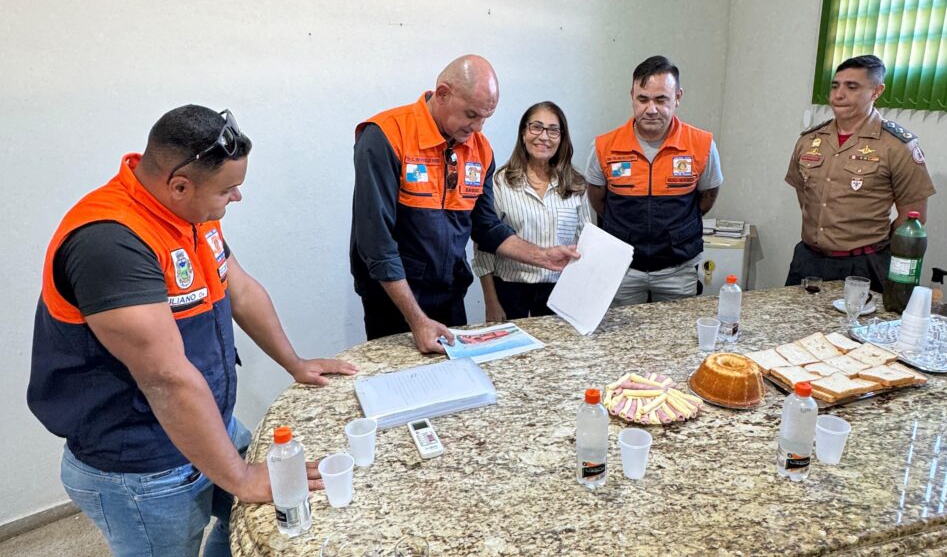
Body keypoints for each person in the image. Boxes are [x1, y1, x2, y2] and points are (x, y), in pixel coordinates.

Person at [27, 106, 358, 557]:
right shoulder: (110, 242)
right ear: (179, 185)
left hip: (208, 426)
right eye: (229, 188)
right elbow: (165, 378)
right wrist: (241, 479)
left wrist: (294, 363)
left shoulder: (187, 215)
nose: (237, 197)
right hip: (140, 462)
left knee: (260, 526)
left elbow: (239, 289)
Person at [350, 55, 579, 352]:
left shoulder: (479, 149)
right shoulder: (386, 136)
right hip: (394, 300)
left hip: (448, 294)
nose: (478, 127)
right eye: (471, 114)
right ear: (443, 93)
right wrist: (417, 320)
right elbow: (376, 245)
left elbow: (485, 227)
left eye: (485, 117)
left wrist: (543, 256)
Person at [784, 54, 936, 293]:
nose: (838, 94)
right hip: (808, 259)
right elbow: (805, 195)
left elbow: (912, 217)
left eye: (851, 87)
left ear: (876, 91)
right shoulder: (810, 140)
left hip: (863, 265)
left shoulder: (896, 145)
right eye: (835, 86)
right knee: (796, 329)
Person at [585, 55, 724, 305]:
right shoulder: (604, 146)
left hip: (678, 270)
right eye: (643, 99)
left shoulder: (702, 145)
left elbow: (707, 197)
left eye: (661, 99)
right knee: (622, 340)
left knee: (677, 339)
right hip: (622, 268)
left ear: (678, 97)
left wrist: (675, 229)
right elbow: (598, 199)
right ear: (632, 96)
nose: (651, 109)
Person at [472, 101, 591, 321]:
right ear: (523, 133)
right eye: (536, 127)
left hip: (560, 291)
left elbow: (585, 244)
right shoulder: (499, 182)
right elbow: (483, 247)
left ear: (562, 137)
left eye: (553, 130)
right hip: (510, 290)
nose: (544, 136)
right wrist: (491, 302)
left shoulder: (576, 184)